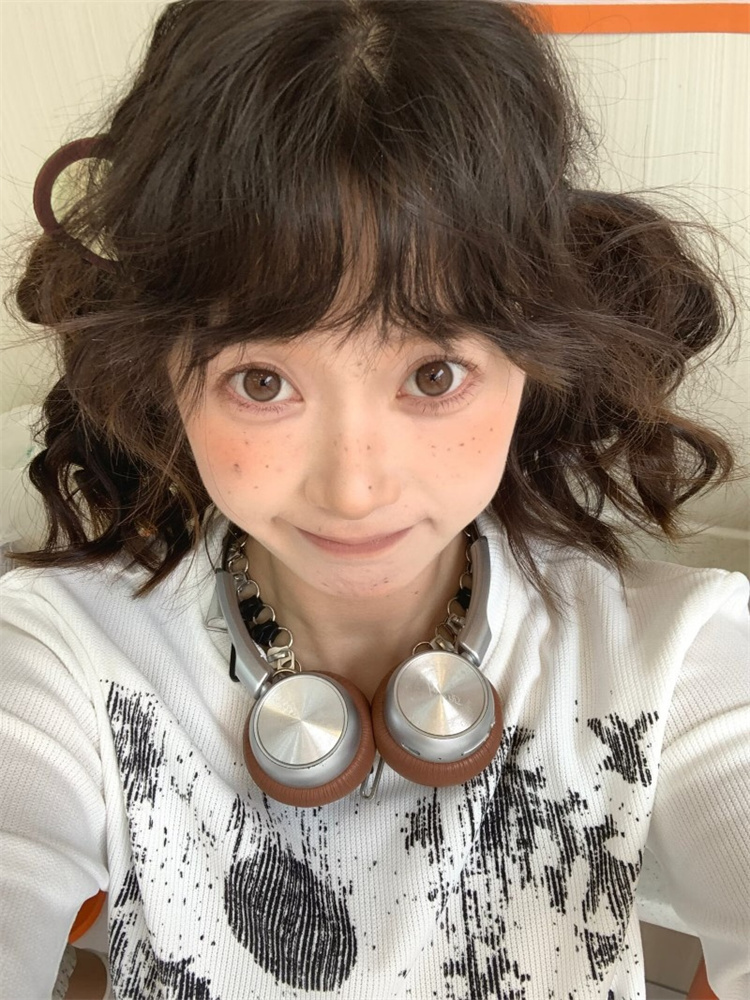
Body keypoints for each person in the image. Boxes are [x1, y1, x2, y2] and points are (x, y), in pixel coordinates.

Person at [1, 1, 747, 998]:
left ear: (532, 360)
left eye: (433, 375)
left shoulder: (677, 657)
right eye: (262, 380)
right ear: (164, 375)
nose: (353, 488)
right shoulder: (58, 657)